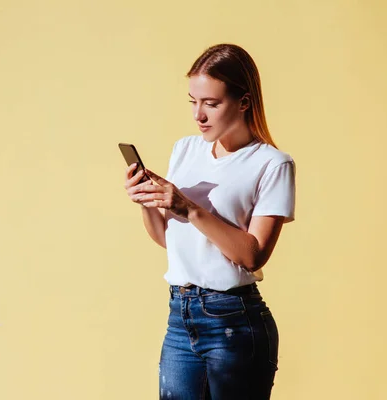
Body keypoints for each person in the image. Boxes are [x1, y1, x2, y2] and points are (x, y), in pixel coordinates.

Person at [123, 43, 296, 399]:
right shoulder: (185, 149)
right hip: (179, 318)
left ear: (244, 102)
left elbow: (254, 255)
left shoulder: (272, 164)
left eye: (211, 104)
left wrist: (190, 208)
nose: (198, 115)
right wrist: (146, 201)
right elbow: (169, 240)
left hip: (233, 321)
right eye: (193, 101)